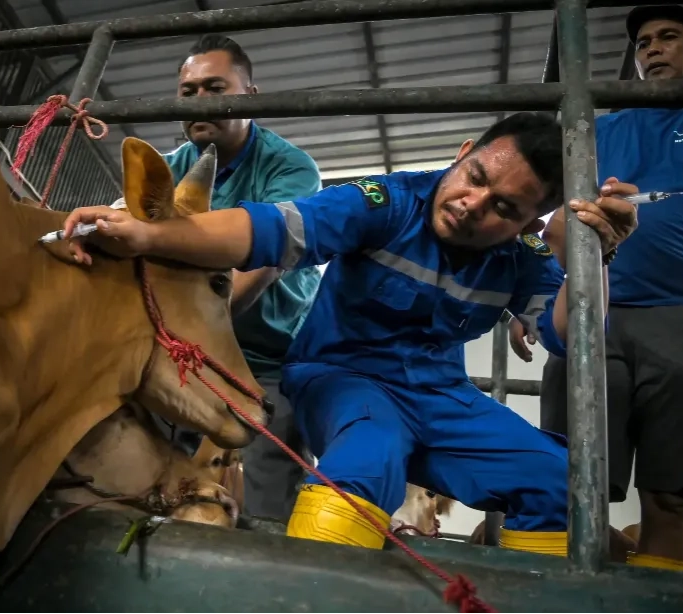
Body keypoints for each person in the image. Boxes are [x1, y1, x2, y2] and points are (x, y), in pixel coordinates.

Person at [60, 111, 640, 556]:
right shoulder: (385, 202)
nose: (471, 204)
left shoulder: (526, 259)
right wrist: (147, 236)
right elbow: (271, 230)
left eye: (503, 207)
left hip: (440, 398)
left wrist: (596, 258)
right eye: (474, 177)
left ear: (527, 224)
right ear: (463, 154)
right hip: (341, 377)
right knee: (370, 454)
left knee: (558, 479)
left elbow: (567, 338)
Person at [507, 4, 683, 571]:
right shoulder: (596, 127)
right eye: (644, 43)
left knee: (673, 494)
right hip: (596, 309)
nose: (652, 48)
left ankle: (657, 594)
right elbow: (543, 210)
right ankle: (564, 598)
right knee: (568, 485)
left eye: (669, 36)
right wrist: (526, 301)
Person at [154, 34, 324, 522]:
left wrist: (187, 327)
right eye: (189, 92)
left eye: (215, 87)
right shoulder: (168, 169)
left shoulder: (290, 168)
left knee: (272, 490)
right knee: (152, 462)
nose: (200, 101)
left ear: (251, 96)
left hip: (268, 356)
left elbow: (262, 260)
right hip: (188, 346)